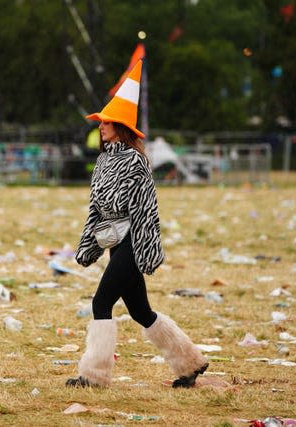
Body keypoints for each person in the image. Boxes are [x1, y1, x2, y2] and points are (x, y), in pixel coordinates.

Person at [66, 60, 208, 389]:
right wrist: (88, 244)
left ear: (121, 126)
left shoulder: (134, 160)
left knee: (100, 303)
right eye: (100, 121)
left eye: (107, 122)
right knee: (141, 311)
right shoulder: (103, 160)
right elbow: (96, 209)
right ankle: (190, 364)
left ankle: (94, 376)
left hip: (132, 243)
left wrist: (145, 250)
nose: (101, 126)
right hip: (114, 243)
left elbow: (146, 209)